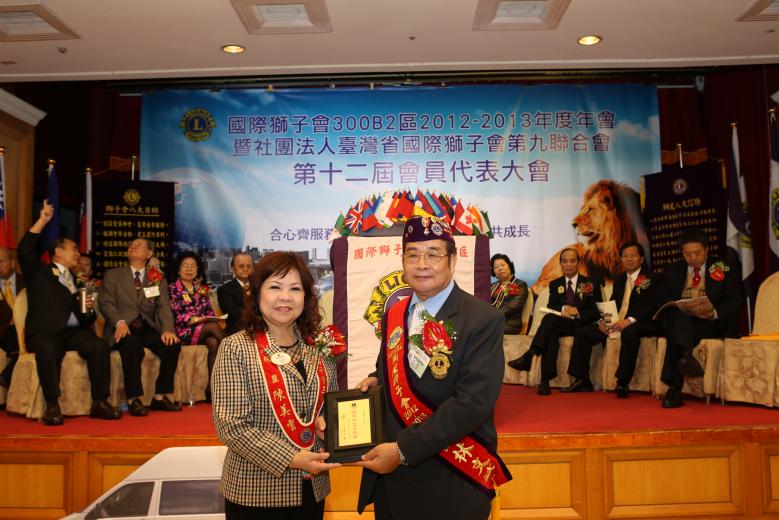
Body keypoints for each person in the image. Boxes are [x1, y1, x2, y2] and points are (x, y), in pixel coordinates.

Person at [355, 216, 511, 520]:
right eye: (412, 255)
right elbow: (394, 369)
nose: (421, 264)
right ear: (402, 261)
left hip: (449, 479)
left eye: (433, 254)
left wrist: (402, 451)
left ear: (452, 259)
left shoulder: (482, 319)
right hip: (393, 480)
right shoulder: (394, 312)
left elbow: (473, 403)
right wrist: (377, 379)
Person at [212, 252, 340, 519]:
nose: (285, 297)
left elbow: (330, 407)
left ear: (306, 296)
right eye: (275, 287)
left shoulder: (319, 347)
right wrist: (292, 458)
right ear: (257, 293)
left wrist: (327, 425)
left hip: (312, 488)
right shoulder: (235, 347)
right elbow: (231, 426)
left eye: (295, 288)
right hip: (255, 493)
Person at [19, 201, 120, 425]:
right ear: (58, 251)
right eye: (74, 249)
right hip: (45, 331)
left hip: (73, 333)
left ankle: (100, 402)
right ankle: (52, 405)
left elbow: (88, 318)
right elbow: (24, 250)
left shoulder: (78, 280)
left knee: (99, 346)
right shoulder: (40, 272)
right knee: (49, 348)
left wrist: (88, 304)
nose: (78, 253)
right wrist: (42, 220)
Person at [656, 227, 743, 408]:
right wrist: (678, 305)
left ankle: (674, 386)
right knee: (676, 314)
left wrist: (714, 312)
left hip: (710, 323)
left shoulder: (724, 267)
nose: (693, 258)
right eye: (688, 254)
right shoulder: (672, 270)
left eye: (698, 253)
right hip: (682, 321)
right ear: (682, 253)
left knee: (675, 334)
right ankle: (686, 356)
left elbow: (735, 300)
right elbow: (662, 298)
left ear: (707, 249)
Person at [562, 241, 660, 397]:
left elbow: (651, 306)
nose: (629, 259)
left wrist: (629, 321)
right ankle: (582, 380)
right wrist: (603, 321)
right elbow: (612, 305)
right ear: (621, 259)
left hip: (641, 323)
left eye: (633, 256)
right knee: (583, 332)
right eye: (625, 256)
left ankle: (622, 382)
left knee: (629, 332)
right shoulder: (620, 280)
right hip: (616, 322)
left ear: (641, 259)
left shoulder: (653, 278)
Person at [99, 237, 182, 416]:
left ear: (149, 254)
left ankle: (160, 397)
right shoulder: (113, 274)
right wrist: (119, 322)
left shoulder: (157, 278)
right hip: (122, 327)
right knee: (132, 344)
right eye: (131, 245)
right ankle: (133, 399)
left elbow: (163, 307)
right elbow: (106, 303)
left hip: (146, 327)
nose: (132, 246)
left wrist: (168, 329)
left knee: (172, 345)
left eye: (138, 245)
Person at [507, 248, 600, 395]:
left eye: (572, 261)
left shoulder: (590, 283)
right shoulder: (555, 284)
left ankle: (531, 355)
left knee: (550, 323)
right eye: (565, 261)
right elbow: (552, 306)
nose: (568, 264)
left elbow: (596, 311)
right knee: (551, 330)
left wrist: (578, 311)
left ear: (578, 263)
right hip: (562, 323)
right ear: (560, 263)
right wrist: (563, 307)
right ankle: (545, 379)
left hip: (582, 324)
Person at [168, 251, 225, 382]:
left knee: (213, 342)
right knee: (212, 326)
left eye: (193, 266)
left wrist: (210, 318)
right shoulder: (172, 289)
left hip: (203, 330)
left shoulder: (201, 290)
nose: (189, 269)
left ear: (197, 270)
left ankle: (211, 387)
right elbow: (176, 315)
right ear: (178, 270)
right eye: (185, 265)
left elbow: (209, 312)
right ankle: (236, 351)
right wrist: (198, 319)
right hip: (182, 331)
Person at [0, 247, 24, 389]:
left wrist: (21, 317)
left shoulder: (28, 282)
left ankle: (7, 374)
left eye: (1, 262)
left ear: (13, 263)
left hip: (25, 328)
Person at [490, 253, 529, 334]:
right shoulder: (492, 286)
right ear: (494, 272)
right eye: (496, 267)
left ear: (510, 266)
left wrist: (491, 316)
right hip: (493, 321)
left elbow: (512, 307)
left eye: (502, 265)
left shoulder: (520, 285)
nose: (500, 268)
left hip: (509, 324)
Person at [217, 252, 253, 336]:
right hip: (237, 329)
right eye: (241, 266)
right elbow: (235, 314)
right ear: (233, 268)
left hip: (262, 326)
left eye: (248, 266)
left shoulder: (259, 286)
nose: (245, 269)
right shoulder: (224, 290)